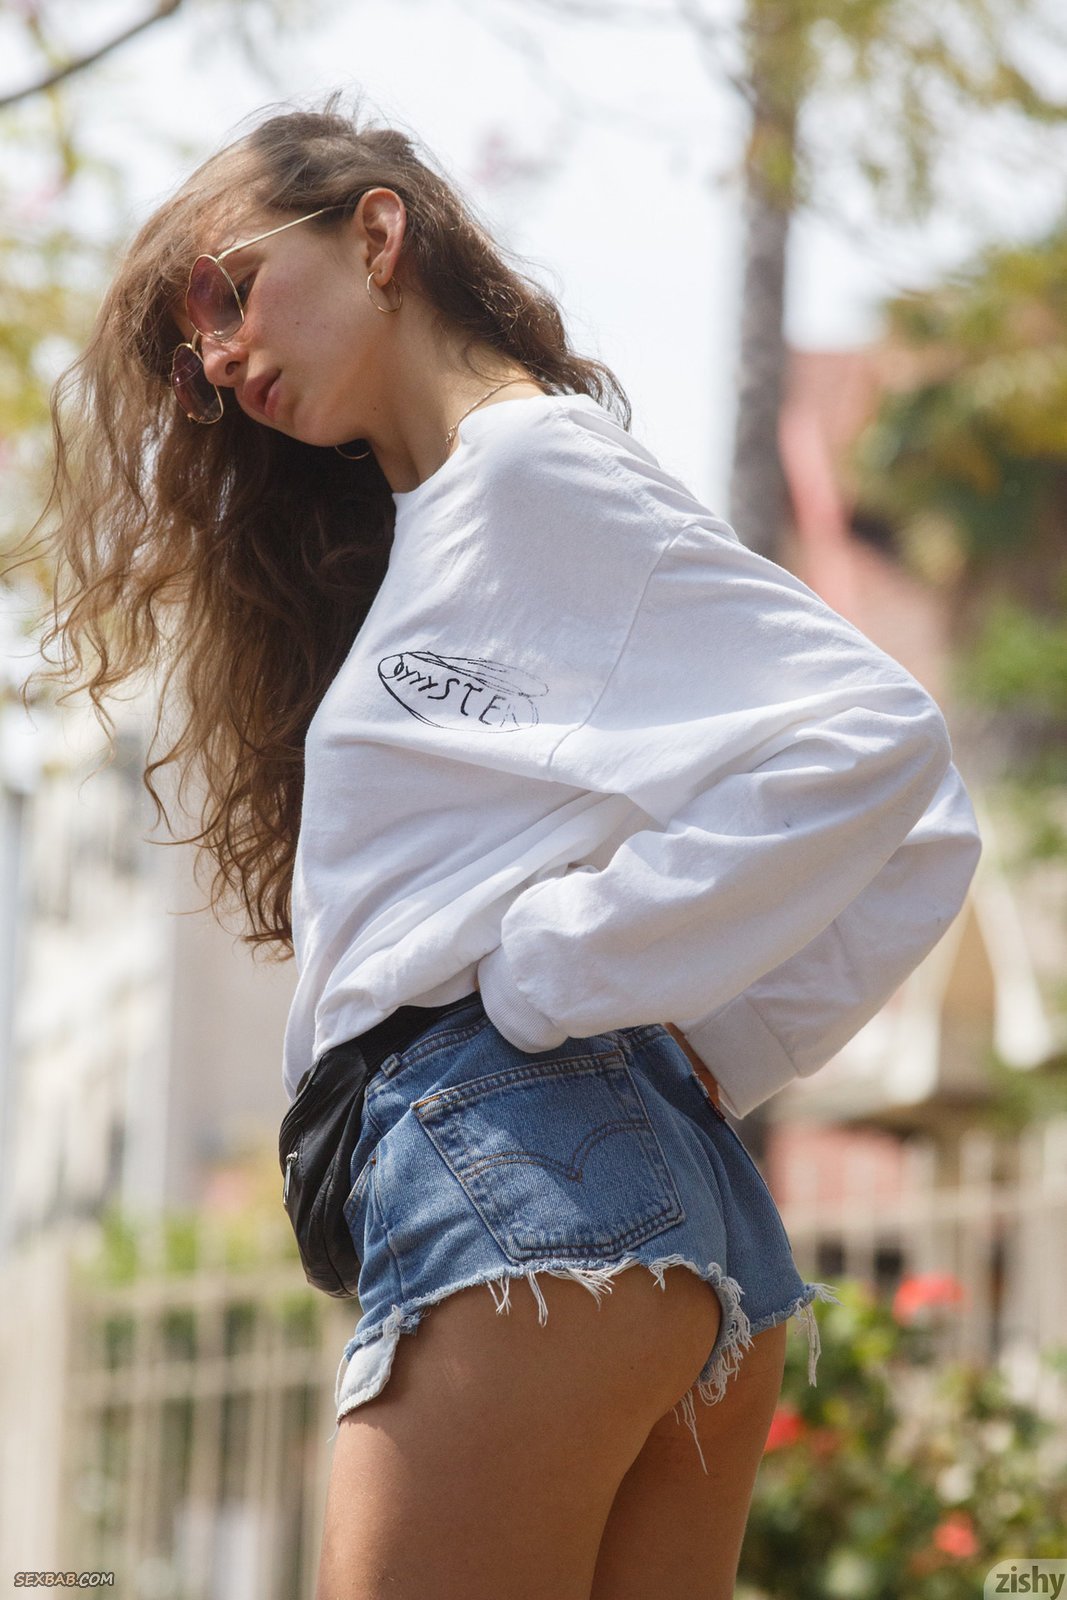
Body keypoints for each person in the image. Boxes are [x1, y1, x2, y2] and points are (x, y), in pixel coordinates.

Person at [29, 95, 981, 1600]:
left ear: (377, 234)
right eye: (190, 340)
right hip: (635, 1200)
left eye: (228, 290)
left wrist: (564, 979)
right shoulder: (461, 517)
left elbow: (884, 747)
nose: (215, 353)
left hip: (520, 1176)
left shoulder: (528, 473)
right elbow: (913, 812)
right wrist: (710, 1045)